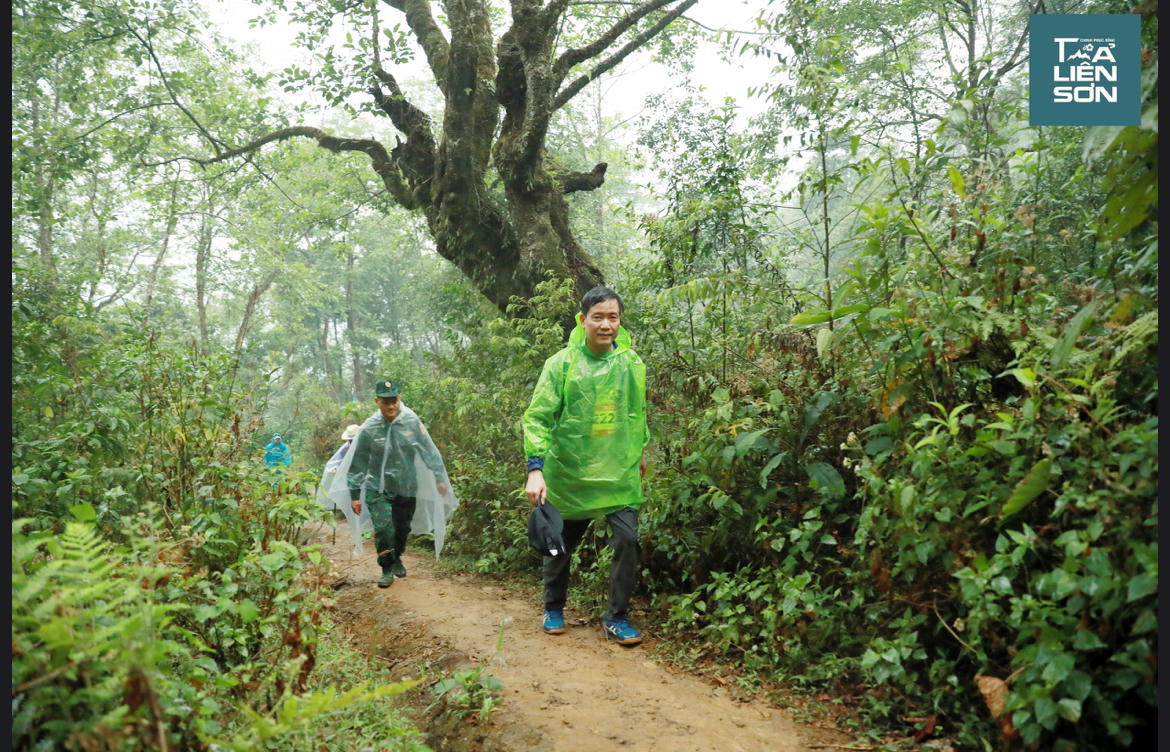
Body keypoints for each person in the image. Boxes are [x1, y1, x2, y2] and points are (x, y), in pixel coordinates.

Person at [523, 286, 649, 646]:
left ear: (620, 321)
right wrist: (536, 469)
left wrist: (640, 452)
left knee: (628, 540)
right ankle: (553, 608)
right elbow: (538, 418)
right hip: (570, 473)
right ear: (583, 320)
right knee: (559, 544)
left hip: (618, 473)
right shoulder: (561, 364)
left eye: (613, 317)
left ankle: (617, 617)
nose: (606, 325)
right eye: (598, 317)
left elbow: (636, 414)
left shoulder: (631, 364)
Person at [347, 379, 455, 588]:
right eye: (385, 402)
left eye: (394, 401)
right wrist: (354, 494)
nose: (391, 406)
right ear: (377, 401)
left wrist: (439, 477)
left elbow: (428, 450)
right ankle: (386, 568)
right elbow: (359, 462)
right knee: (384, 528)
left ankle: (397, 556)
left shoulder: (411, 421)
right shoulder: (369, 428)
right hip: (377, 488)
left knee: (402, 527)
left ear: (400, 399)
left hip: (406, 485)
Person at [316, 424, 369, 555]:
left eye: (353, 439)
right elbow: (335, 462)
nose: (350, 442)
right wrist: (335, 470)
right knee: (355, 504)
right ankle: (359, 532)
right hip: (352, 481)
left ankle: (366, 530)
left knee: (365, 503)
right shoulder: (346, 448)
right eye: (349, 440)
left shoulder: (367, 446)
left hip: (365, 480)